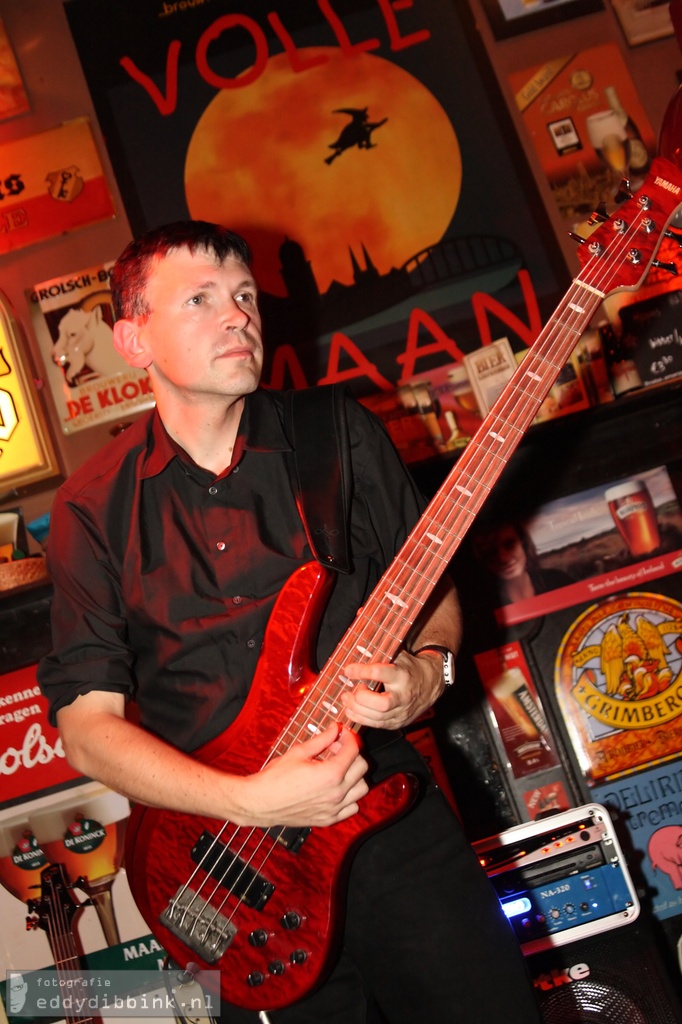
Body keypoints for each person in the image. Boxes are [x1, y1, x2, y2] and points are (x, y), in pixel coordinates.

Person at [38, 221, 542, 1024]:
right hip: (227, 868)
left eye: (244, 296)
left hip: (387, 821)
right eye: (200, 300)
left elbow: (433, 588)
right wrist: (253, 803)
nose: (238, 316)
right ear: (133, 340)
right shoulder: (91, 507)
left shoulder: (336, 433)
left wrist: (427, 673)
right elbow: (89, 729)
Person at [473, 520, 573, 607]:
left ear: (523, 543)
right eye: (491, 551)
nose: (503, 558)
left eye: (509, 544)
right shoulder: (484, 604)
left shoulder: (558, 580)